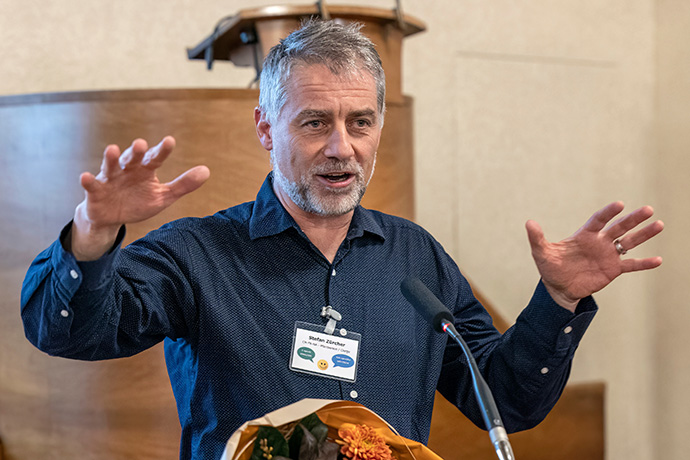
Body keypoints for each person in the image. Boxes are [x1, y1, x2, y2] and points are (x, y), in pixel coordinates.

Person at [20, 20, 664, 460]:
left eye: (361, 121)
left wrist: (556, 301)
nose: (342, 147)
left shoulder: (416, 258)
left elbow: (507, 400)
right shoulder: (197, 253)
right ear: (266, 127)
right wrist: (93, 234)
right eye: (314, 122)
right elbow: (68, 331)